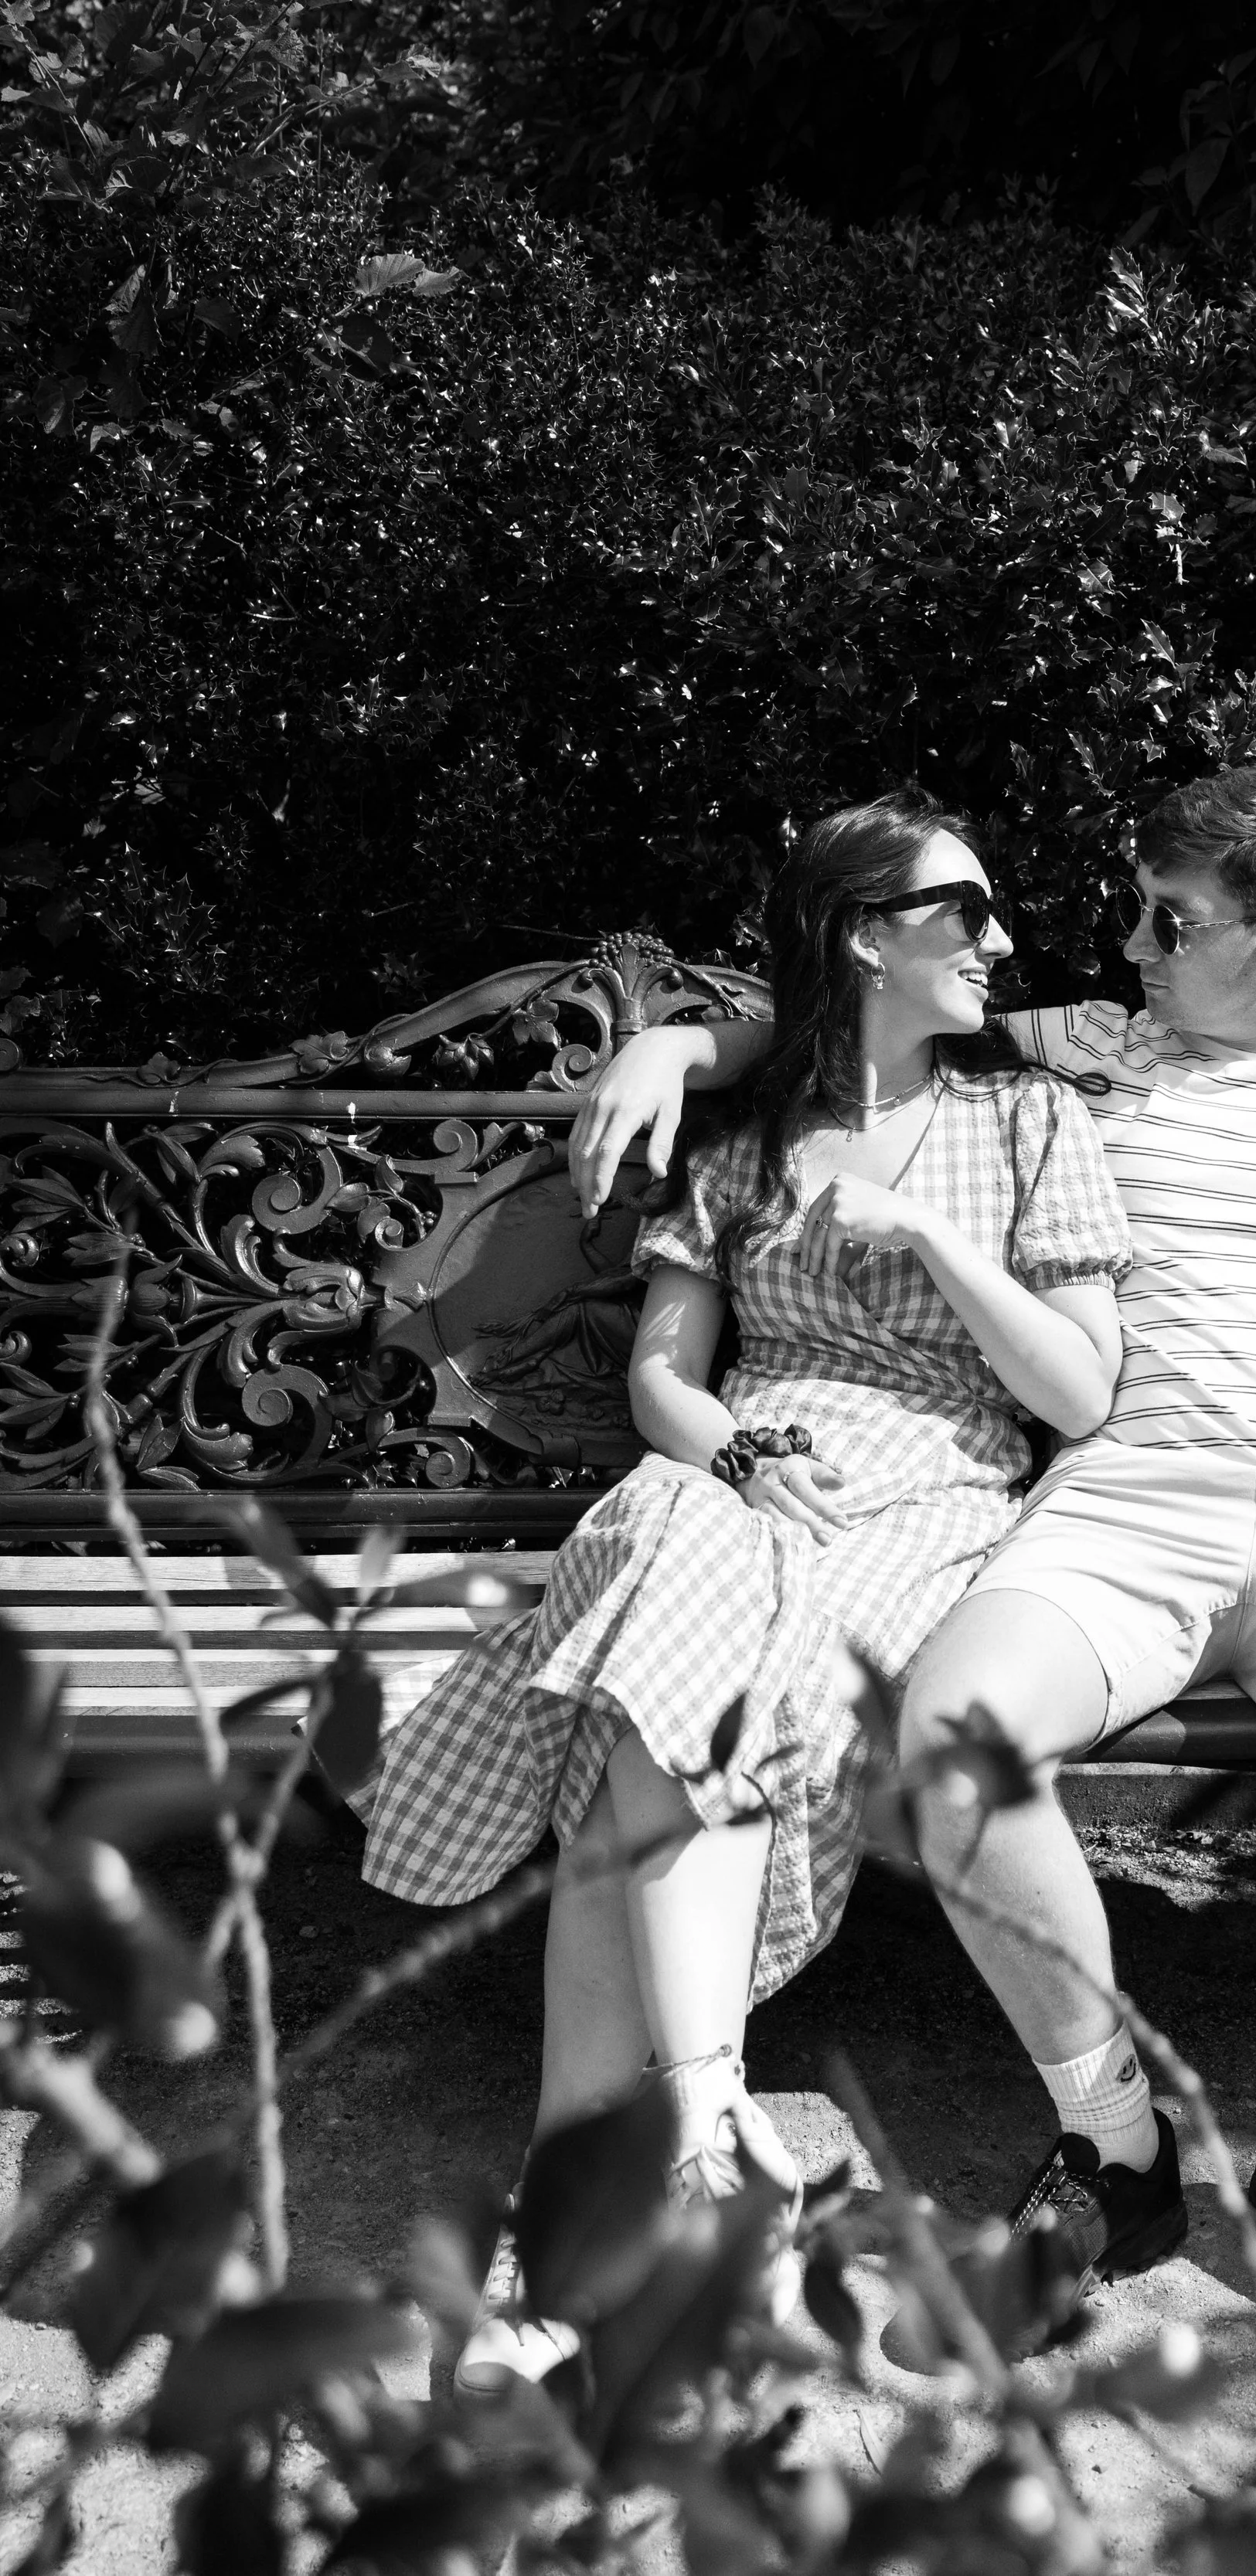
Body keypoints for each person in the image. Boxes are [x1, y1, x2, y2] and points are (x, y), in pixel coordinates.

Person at [567, 765, 1256, 2359]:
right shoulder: (1085, 1051)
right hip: (1127, 1506)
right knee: (954, 1739)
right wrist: (674, 1035)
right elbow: (838, 1020)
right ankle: (1114, 2147)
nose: (1120, 942)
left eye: (1163, 919)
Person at [359, 790, 1132, 2391]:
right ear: (864, 934)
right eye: (964, 910)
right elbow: (662, 1375)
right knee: (668, 1539)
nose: (999, 940)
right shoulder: (747, 1138)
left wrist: (927, 1231)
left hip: (921, 1496)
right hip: (738, 1475)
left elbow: (1075, 1391)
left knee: (631, 1722)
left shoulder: (1028, 1123)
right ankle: (701, 2123)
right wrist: (727, 1444)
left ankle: (581, 2213)